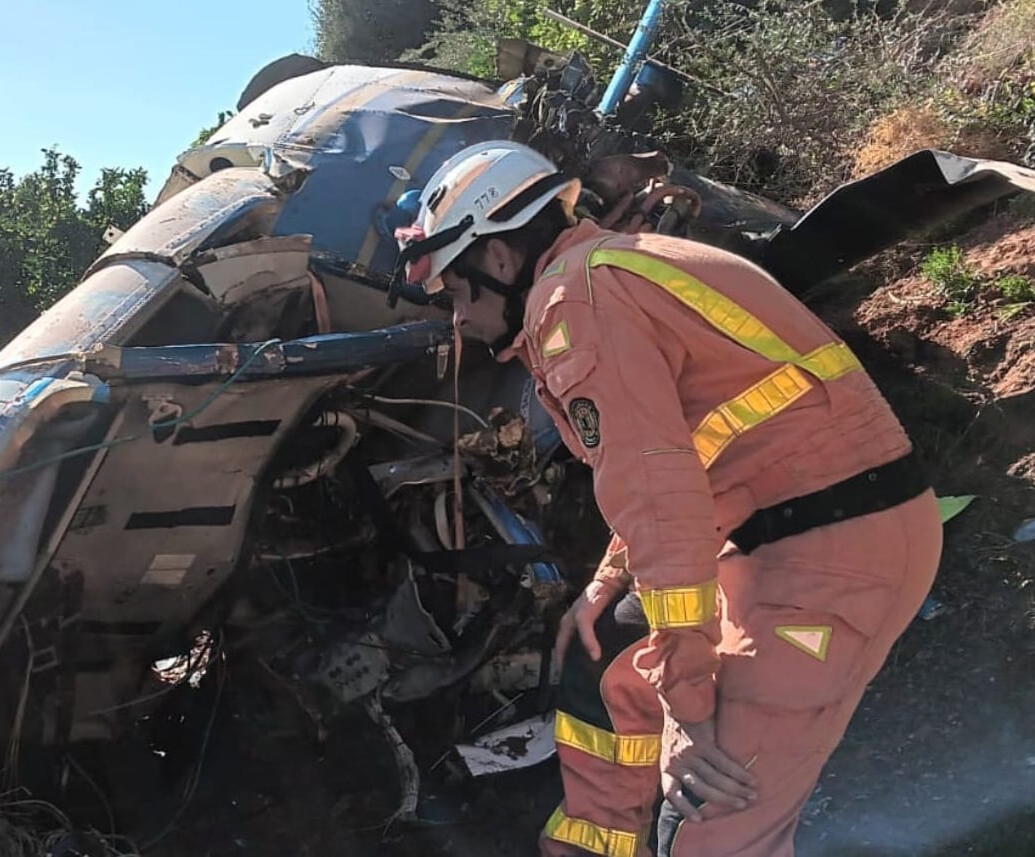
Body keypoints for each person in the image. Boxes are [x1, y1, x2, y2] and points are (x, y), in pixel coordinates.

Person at [392, 141, 943, 857]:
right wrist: (607, 582)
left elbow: (660, 499)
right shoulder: (605, 272)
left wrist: (690, 709)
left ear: (497, 259)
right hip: (794, 534)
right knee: (605, 639)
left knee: (705, 825)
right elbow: (667, 466)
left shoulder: (572, 306)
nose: (459, 318)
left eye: (457, 292)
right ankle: (594, 846)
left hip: (828, 562)